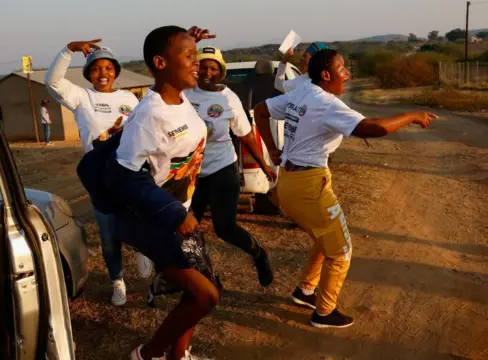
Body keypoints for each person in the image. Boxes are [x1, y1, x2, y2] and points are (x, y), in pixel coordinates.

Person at [253, 49, 437, 329]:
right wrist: (412, 115)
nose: (348, 74)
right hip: (310, 186)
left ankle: (305, 291)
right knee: (341, 250)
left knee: (323, 237)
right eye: (342, 69)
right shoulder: (326, 104)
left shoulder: (302, 93)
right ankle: (324, 313)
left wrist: (273, 149)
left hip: (288, 184)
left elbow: (260, 110)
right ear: (326, 75)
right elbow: (372, 128)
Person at [108, 25, 217, 360]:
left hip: (178, 212)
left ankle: (178, 355)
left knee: (198, 292)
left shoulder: (180, 99)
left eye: (195, 56)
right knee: (205, 295)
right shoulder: (148, 116)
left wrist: (186, 47)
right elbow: (123, 178)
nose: (196, 64)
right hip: (155, 221)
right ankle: (149, 354)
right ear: (159, 63)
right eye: (189, 57)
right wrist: (176, 213)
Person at [45, 37, 153, 306]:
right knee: (108, 235)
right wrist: (68, 49)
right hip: (100, 178)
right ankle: (117, 281)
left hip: (131, 172)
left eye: (108, 68)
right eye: (96, 69)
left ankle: (145, 251)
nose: (102, 73)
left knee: (141, 221)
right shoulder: (82, 97)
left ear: (116, 71)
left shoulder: (129, 98)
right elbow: (53, 82)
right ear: (88, 74)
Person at [184, 46, 276, 287]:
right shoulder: (184, 94)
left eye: (213, 68)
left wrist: (264, 165)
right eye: (203, 66)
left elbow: (245, 136)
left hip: (222, 168)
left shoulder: (229, 99)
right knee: (188, 229)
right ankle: (207, 277)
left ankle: (259, 255)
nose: (207, 72)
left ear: (220, 72)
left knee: (224, 228)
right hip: (192, 173)